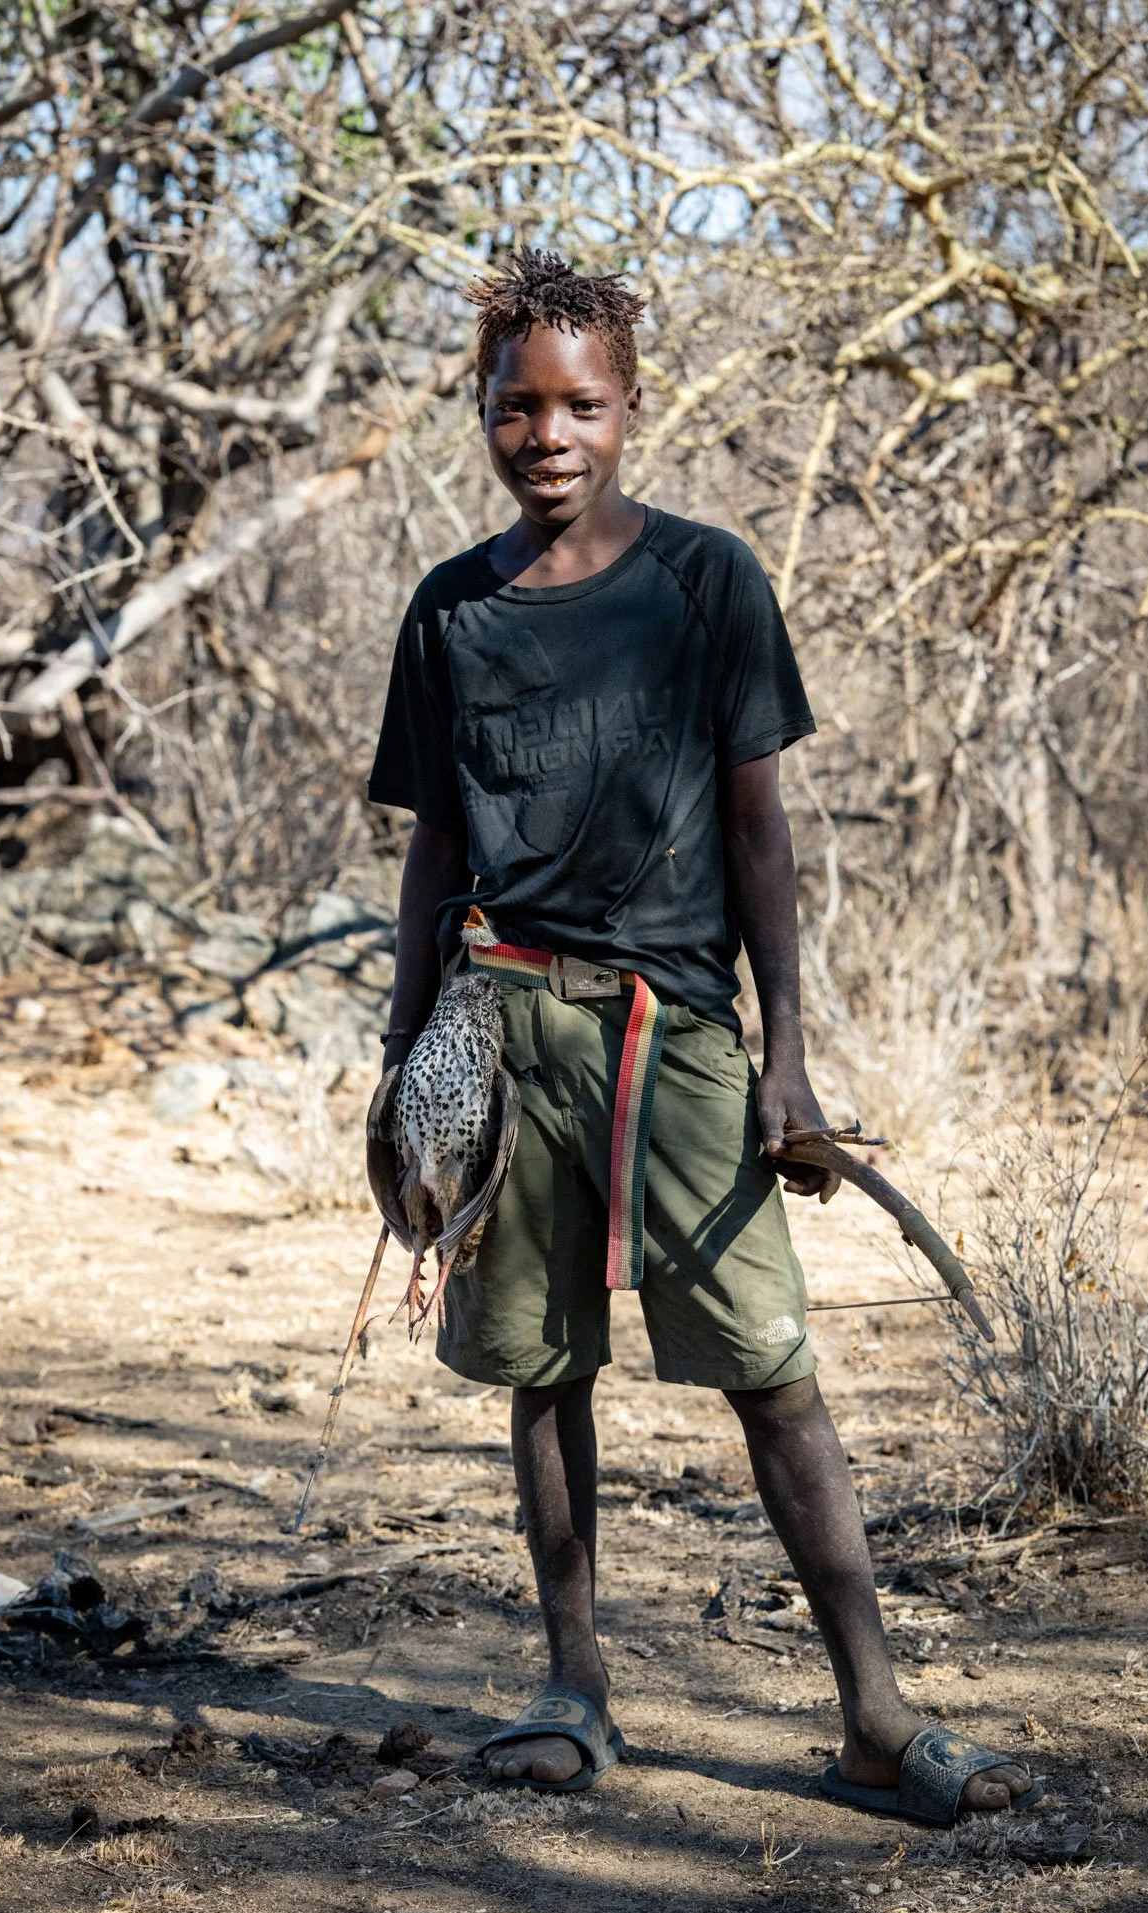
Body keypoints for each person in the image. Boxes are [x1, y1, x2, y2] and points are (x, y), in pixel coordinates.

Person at [366, 249, 1039, 1827]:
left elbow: (759, 834)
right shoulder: (450, 615)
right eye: (516, 404)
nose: (547, 433)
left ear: (631, 408)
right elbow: (429, 856)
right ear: (480, 412)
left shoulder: (708, 582)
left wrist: (785, 1056)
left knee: (772, 1368)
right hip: (508, 1035)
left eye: (579, 404)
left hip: (680, 1040)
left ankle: (876, 1714)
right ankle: (573, 1687)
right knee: (543, 1369)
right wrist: (404, 1064)